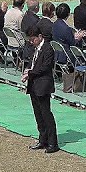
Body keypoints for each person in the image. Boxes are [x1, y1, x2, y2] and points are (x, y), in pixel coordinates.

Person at [25, 20, 60, 153]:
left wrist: (30, 73)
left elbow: (44, 68)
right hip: (34, 85)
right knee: (38, 114)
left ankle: (52, 142)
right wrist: (28, 71)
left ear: (40, 37)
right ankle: (42, 139)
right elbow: (32, 63)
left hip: (43, 85)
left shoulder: (48, 48)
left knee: (46, 114)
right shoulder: (36, 48)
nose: (31, 42)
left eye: (33, 39)